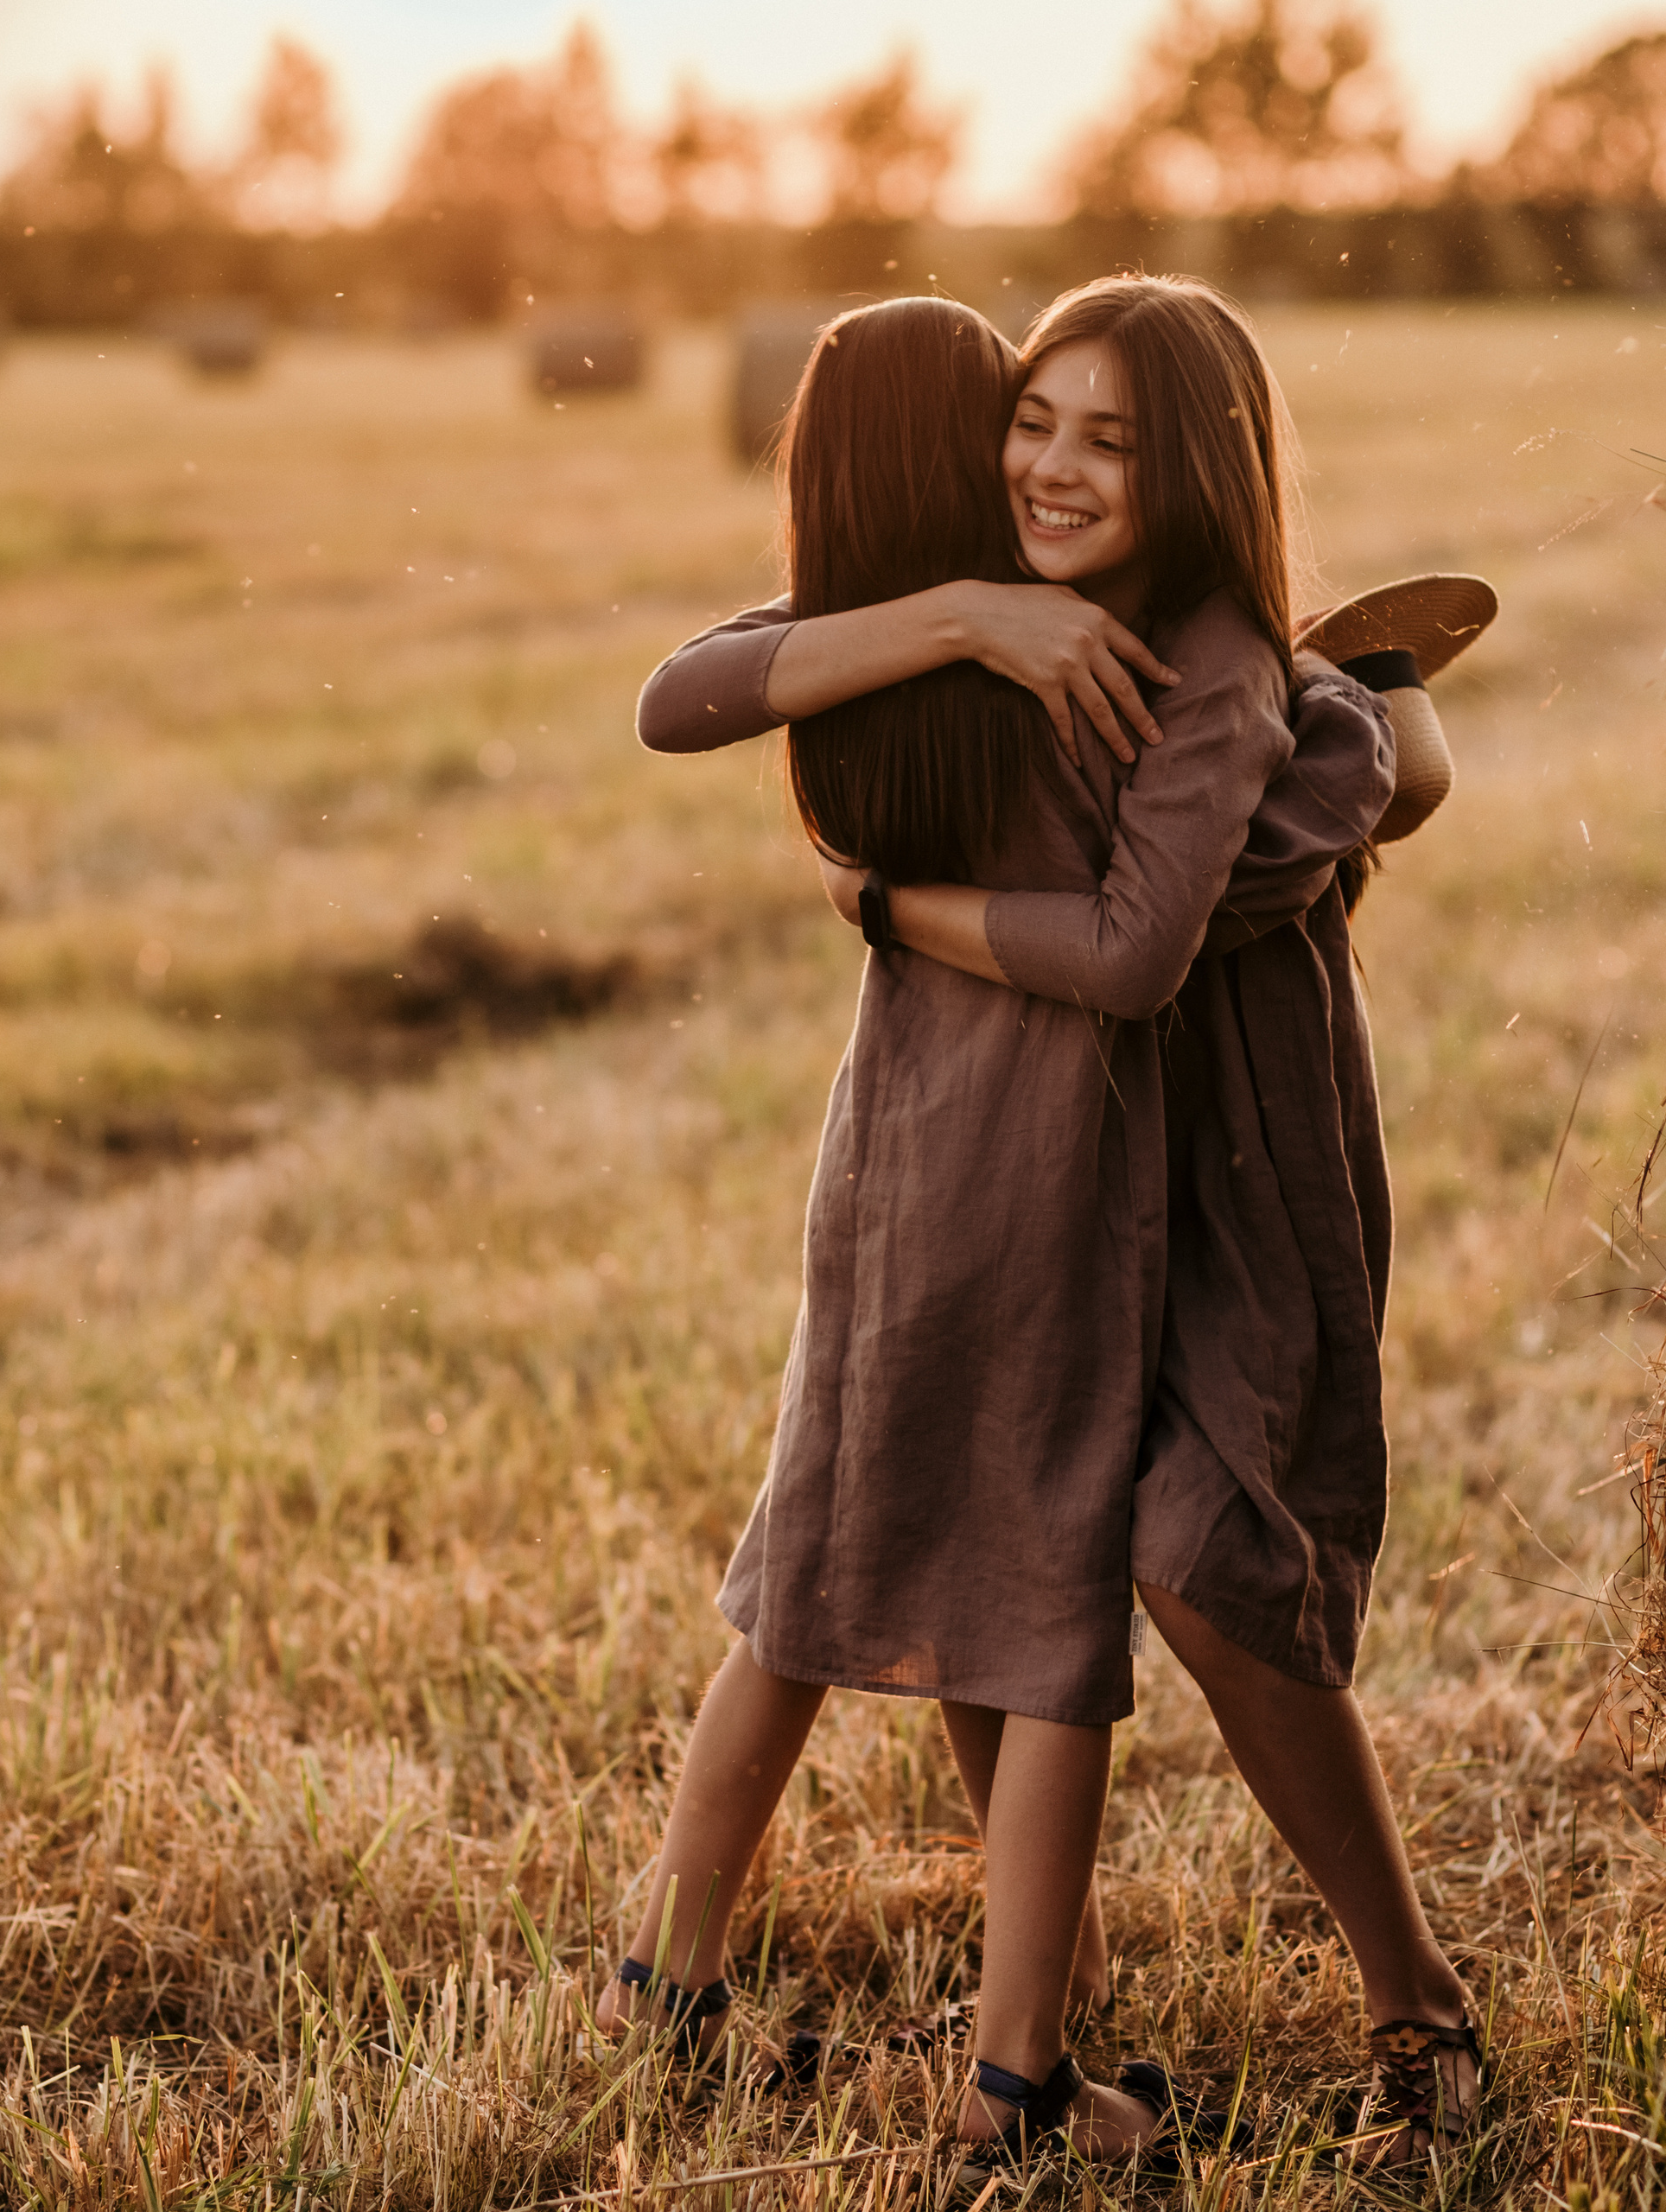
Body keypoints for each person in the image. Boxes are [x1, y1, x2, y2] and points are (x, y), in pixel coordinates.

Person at [620, 276, 1484, 2171]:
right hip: (1060, 1178)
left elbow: (1145, 933)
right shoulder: (975, 621)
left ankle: (1411, 1998)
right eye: (1035, 418)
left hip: (1223, 1176)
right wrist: (956, 611)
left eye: (1107, 437)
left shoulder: (1194, 671)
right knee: (1029, 1545)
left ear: (1191, 468)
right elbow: (674, 693)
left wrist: (878, 902)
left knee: (1192, 1560)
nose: (1054, 464)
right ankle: (1031, 2022)